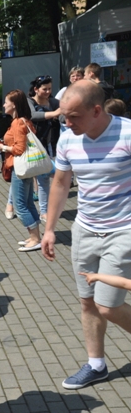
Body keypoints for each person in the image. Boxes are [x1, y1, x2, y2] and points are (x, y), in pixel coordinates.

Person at [43, 79, 131, 390]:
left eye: (73, 117)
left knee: (109, 305)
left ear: (96, 110)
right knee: (88, 302)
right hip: (85, 229)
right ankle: (96, 365)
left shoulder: (127, 133)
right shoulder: (68, 139)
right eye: (64, 116)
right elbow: (60, 184)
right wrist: (49, 229)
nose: (67, 123)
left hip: (123, 230)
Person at [0, 90, 42, 252]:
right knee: (28, 203)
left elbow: (19, 149)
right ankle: (35, 236)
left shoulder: (18, 123)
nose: (3, 105)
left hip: (19, 168)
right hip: (25, 168)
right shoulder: (23, 121)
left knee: (20, 206)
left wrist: (3, 147)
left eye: (6, 102)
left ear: (14, 105)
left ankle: (35, 239)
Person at [29, 75, 61, 222]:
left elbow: (63, 116)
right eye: (44, 89)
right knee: (42, 179)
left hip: (51, 144)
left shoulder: (53, 102)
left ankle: (45, 210)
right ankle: (43, 212)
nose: (48, 92)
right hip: (35, 145)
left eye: (50, 89)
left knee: (44, 179)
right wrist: (54, 114)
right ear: (36, 89)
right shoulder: (29, 101)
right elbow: (32, 115)